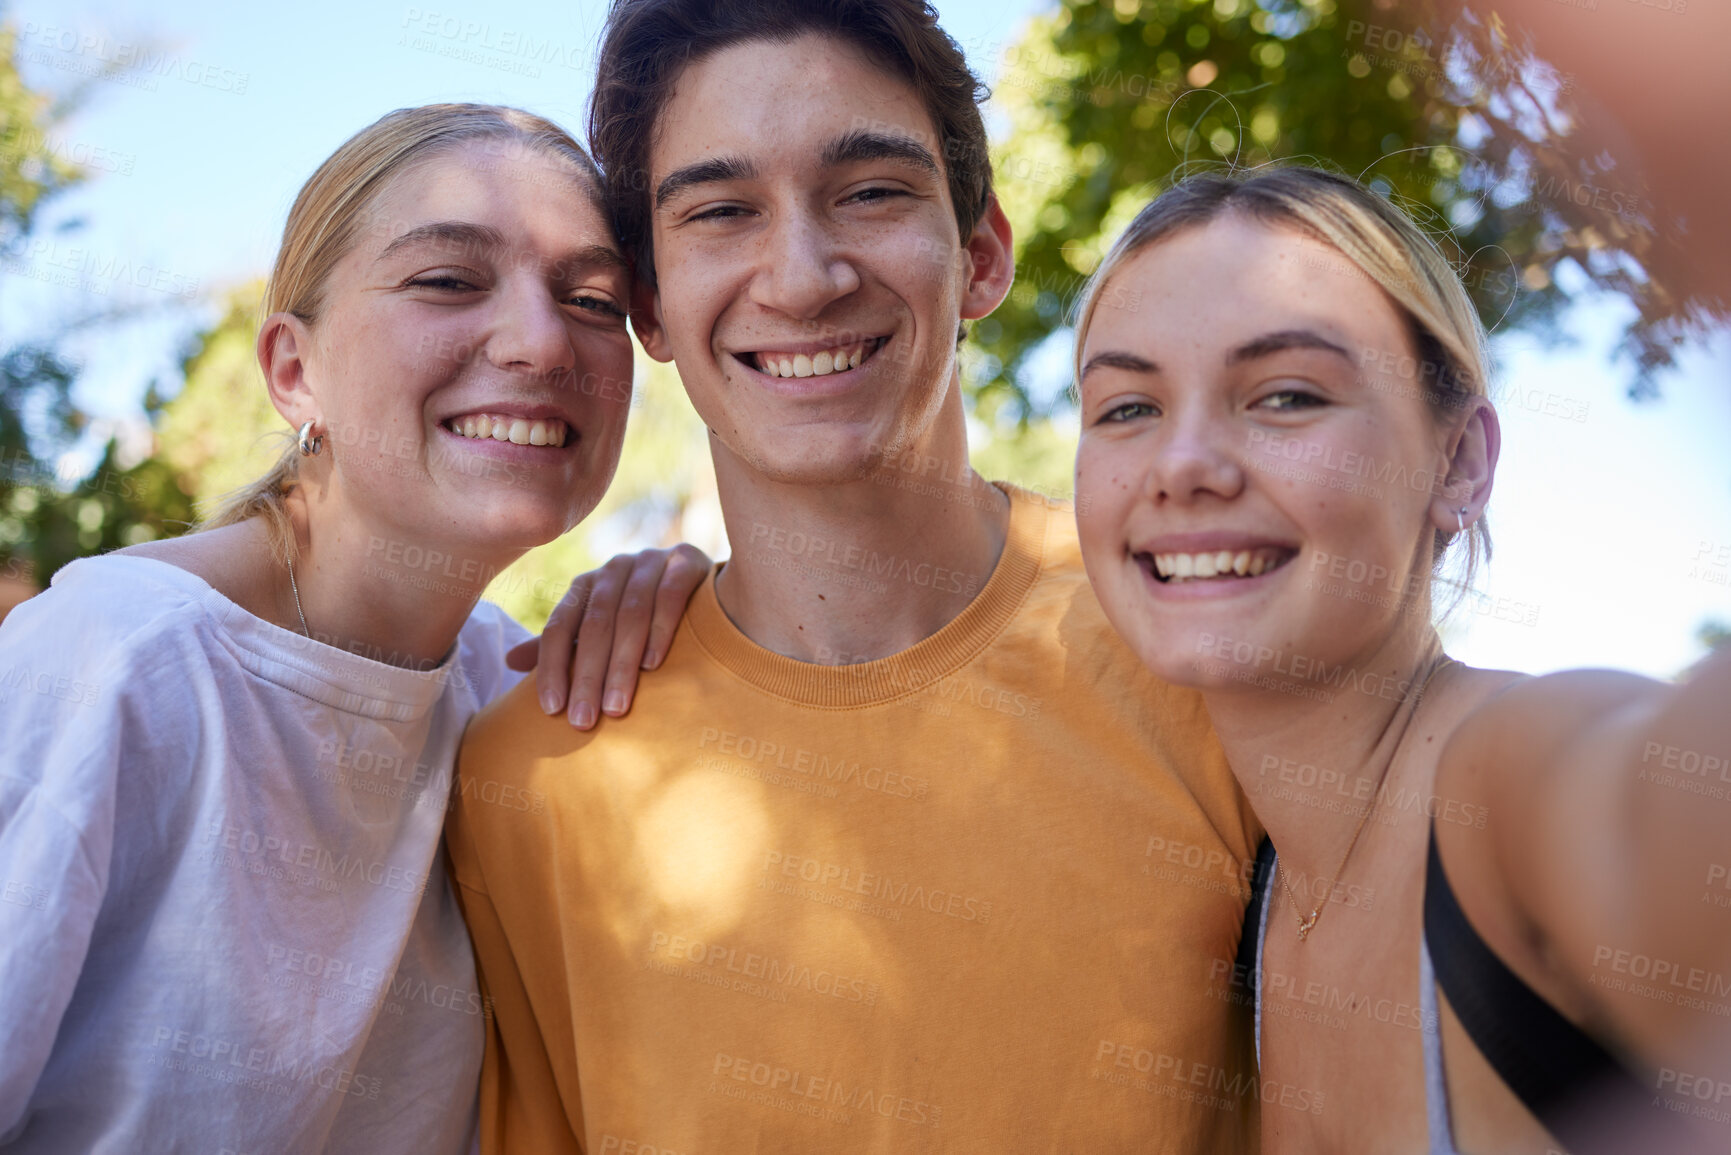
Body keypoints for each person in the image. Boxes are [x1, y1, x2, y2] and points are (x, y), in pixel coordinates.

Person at [447, 2, 1267, 1151]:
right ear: (650, 306)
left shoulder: (1202, 651)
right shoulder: (527, 776)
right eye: (723, 211)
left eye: (871, 191)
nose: (803, 275)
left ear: (980, 253)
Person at [0, 103, 703, 1153]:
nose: (543, 341)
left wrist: (710, 625)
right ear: (293, 370)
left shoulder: (504, 696)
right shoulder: (117, 665)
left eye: (593, 299)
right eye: (449, 280)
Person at [1069, 165, 1731, 1154]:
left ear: (1458, 462)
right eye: (1128, 408)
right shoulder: (1239, 901)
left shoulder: (1509, 778)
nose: (1182, 466)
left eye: (1286, 396)